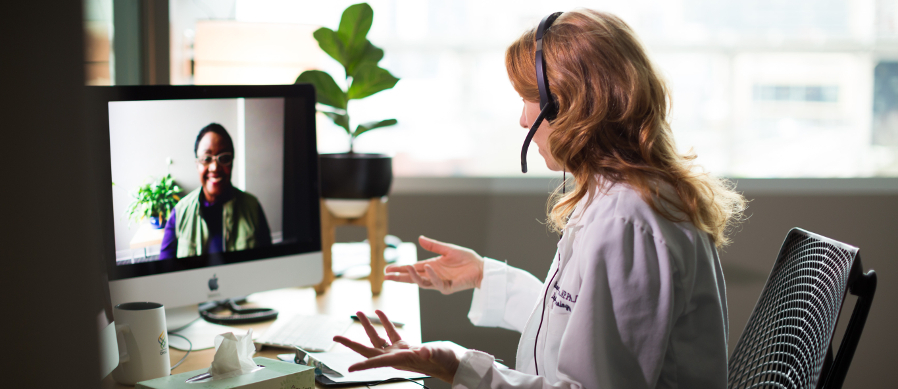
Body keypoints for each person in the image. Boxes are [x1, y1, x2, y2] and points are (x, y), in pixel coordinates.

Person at [333, 9, 747, 388]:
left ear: (569, 105)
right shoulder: (620, 197)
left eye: (529, 99)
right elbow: (578, 323)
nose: (523, 119)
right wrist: (483, 275)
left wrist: (458, 365)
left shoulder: (626, 222)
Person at [159, 123, 272, 259]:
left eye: (223, 158)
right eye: (206, 159)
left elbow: (268, 263)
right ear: (197, 164)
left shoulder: (252, 207)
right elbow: (166, 272)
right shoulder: (179, 213)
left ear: (232, 162)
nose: (214, 167)